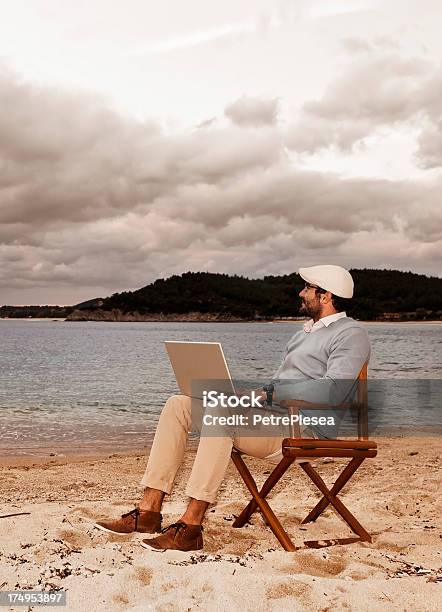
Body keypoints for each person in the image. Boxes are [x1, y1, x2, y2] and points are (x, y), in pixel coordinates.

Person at [94, 264, 370, 551]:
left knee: (220, 412)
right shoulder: (302, 335)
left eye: (306, 288)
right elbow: (279, 386)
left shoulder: (350, 334)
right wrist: (248, 395)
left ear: (325, 296)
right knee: (179, 404)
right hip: (272, 418)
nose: (301, 293)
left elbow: (334, 389)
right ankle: (148, 511)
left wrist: (267, 394)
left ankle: (191, 525)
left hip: (305, 430)